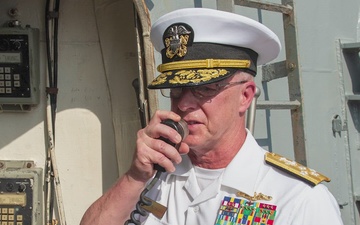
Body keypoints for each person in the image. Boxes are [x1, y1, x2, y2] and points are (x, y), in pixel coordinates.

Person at [80, 8, 343, 225]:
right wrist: (134, 177)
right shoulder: (154, 177)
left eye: (205, 89)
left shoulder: (297, 198)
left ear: (245, 96)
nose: (183, 103)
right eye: (176, 90)